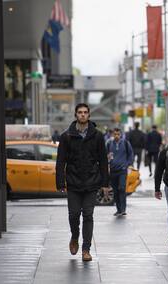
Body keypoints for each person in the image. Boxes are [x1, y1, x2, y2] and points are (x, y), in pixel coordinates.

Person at [56, 103, 109, 262]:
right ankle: (74, 236)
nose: (83, 115)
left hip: (91, 182)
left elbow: (103, 161)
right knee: (73, 215)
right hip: (73, 182)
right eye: (80, 112)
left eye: (85, 112)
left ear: (89, 115)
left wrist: (105, 184)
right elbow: (60, 161)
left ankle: (86, 249)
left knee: (88, 215)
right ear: (75, 115)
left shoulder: (98, 136)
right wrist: (60, 182)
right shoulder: (66, 136)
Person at [107, 128, 134, 216]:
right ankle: (118, 209)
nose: (116, 136)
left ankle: (123, 209)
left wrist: (128, 164)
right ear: (112, 135)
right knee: (115, 190)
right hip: (113, 170)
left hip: (122, 170)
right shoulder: (109, 144)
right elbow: (105, 155)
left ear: (121, 135)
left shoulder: (126, 143)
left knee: (122, 188)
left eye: (118, 134)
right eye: (115, 134)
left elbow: (130, 154)